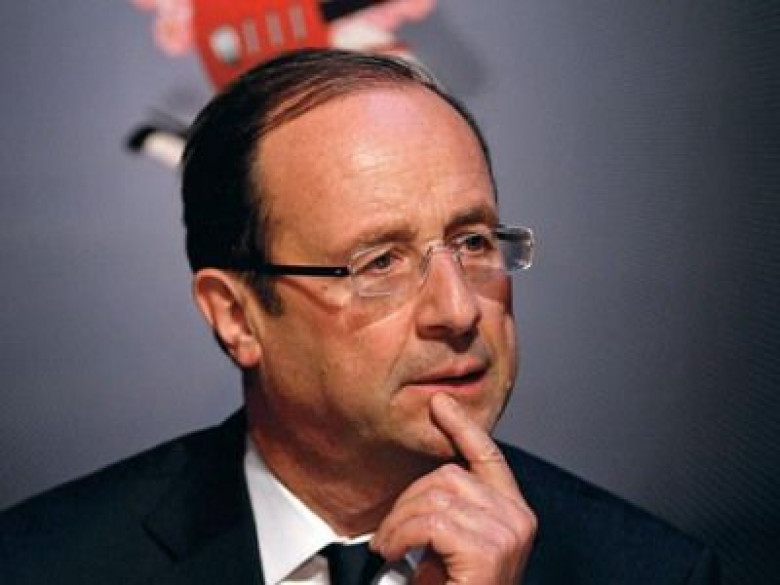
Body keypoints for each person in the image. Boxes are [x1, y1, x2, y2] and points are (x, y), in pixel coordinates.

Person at [0, 49, 718, 585]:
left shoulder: (653, 572)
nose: (459, 310)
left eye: (473, 242)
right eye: (380, 263)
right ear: (237, 316)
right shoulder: (43, 564)